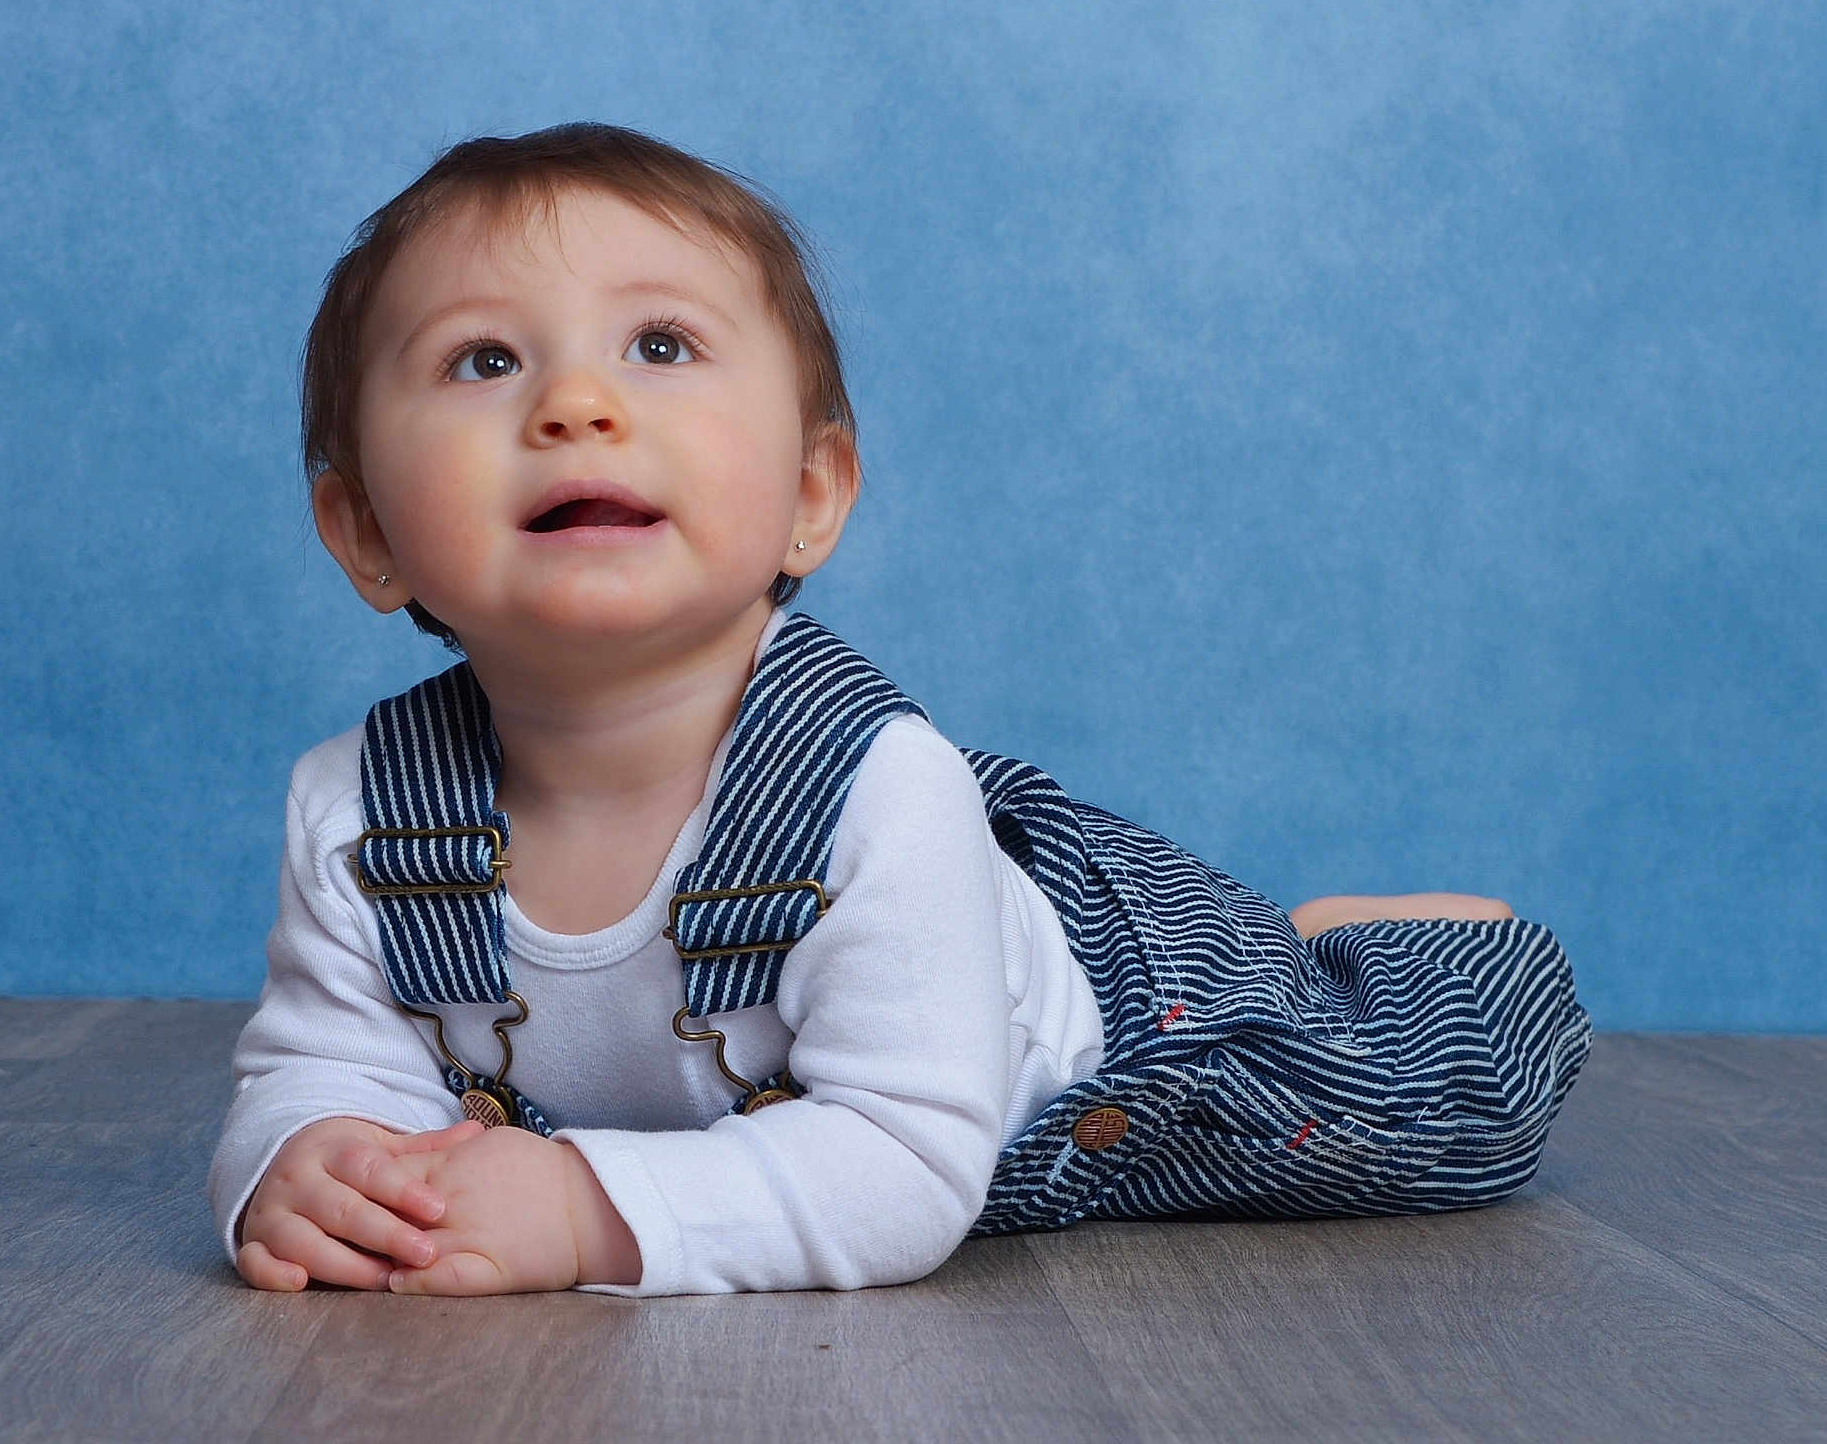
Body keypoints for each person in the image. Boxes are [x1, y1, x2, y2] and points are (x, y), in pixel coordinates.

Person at [210, 123, 1591, 1298]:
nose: (577, 403)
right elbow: (315, 1069)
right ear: (362, 530)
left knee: (1420, 1114)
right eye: (485, 363)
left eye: (661, 345)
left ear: (812, 494)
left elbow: (907, 1166)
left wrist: (580, 1214)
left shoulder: (880, 793)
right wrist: (306, 1165)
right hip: (923, 938)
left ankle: (1375, 948)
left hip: (1131, 1020)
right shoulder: (357, 817)